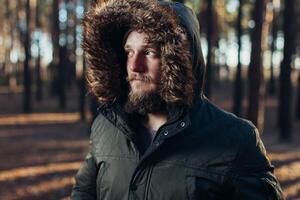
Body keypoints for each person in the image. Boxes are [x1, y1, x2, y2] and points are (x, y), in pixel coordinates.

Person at [71, 0, 284, 199]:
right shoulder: (107, 125)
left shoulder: (236, 139)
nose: (134, 66)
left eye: (150, 52)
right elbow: (84, 192)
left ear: (182, 59)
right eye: (129, 52)